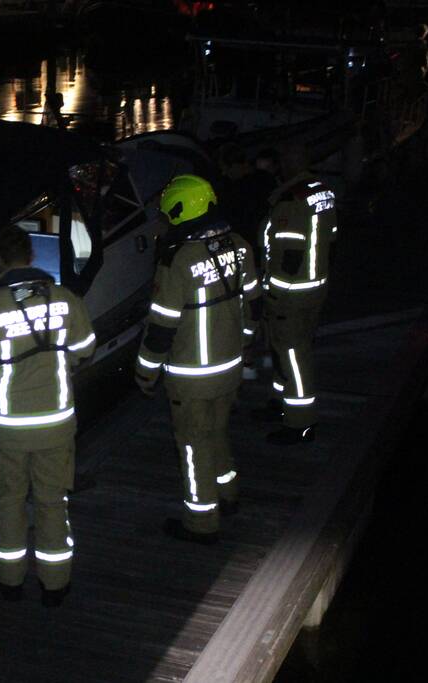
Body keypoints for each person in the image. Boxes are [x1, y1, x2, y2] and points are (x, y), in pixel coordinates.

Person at [0, 226, 96, 607]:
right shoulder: (65, 298)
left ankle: (9, 581)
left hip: (7, 428)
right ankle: (55, 585)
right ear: (31, 256)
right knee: (52, 503)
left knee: (9, 502)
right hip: (56, 423)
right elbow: (85, 348)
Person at [135, 174, 259, 544]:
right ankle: (229, 493)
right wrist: (246, 344)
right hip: (230, 365)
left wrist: (145, 371)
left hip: (191, 376)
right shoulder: (240, 245)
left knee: (192, 444)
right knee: (217, 431)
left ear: (179, 209)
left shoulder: (177, 261)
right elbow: (253, 303)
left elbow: (161, 326)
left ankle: (201, 522)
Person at [260, 144, 338, 445]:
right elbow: (331, 242)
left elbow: (288, 253)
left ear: (288, 165)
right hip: (316, 284)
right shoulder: (323, 192)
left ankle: (300, 422)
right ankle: (281, 403)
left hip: (291, 292)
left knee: (293, 355)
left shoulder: (291, 200)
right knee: (288, 348)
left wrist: (273, 292)